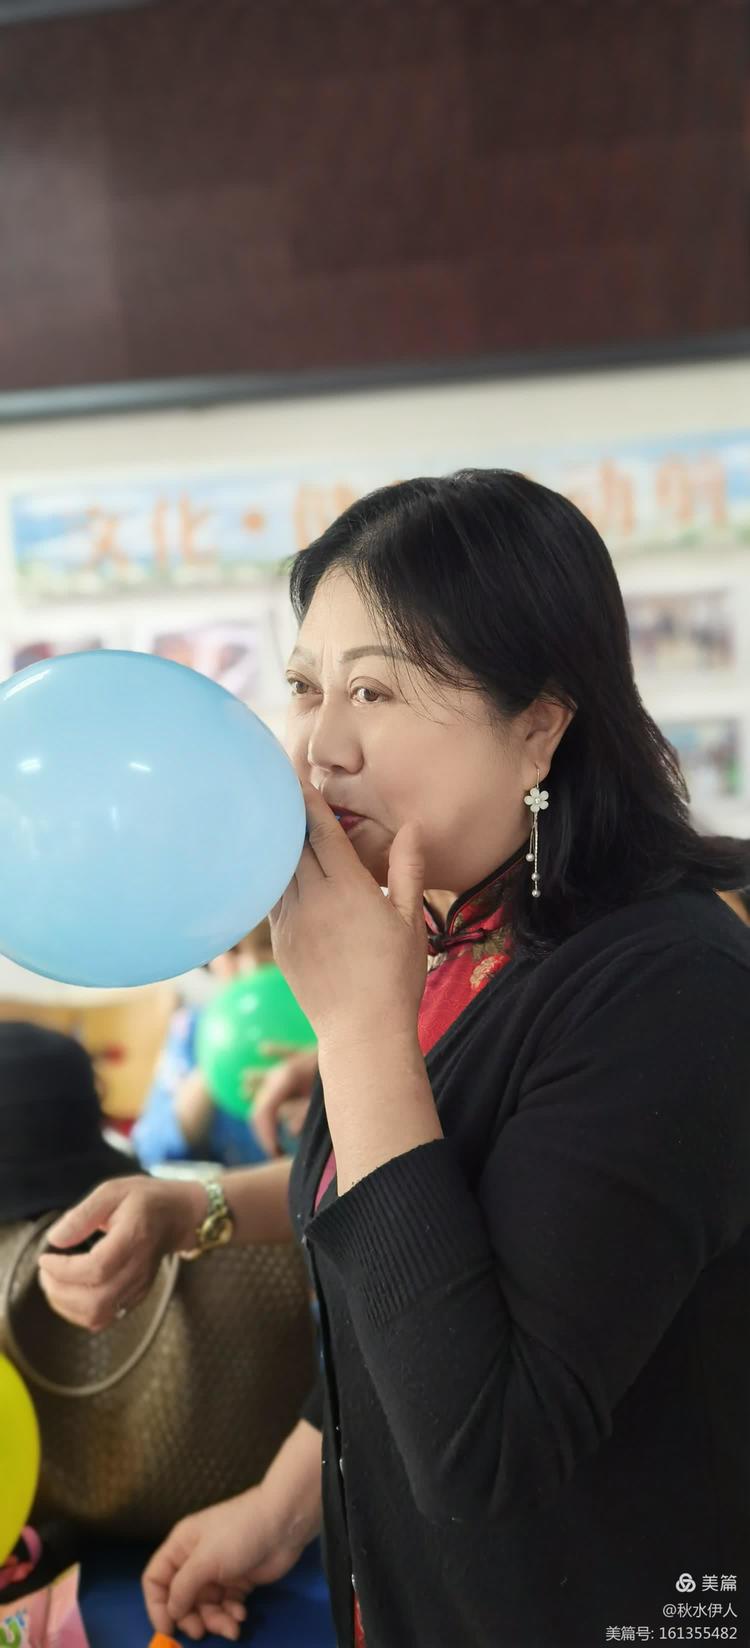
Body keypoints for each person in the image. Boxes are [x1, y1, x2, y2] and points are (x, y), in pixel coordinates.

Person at [38, 471, 750, 1648]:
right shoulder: (454, 929)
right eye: (307, 686)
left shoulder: (670, 993)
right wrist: (195, 1210)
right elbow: (431, 1219)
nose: (320, 746)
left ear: (540, 725)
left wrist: (358, 1029)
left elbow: (483, 1445)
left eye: (373, 688)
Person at [132, 919, 312, 1168]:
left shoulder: (328, 1023)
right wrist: (214, 1067)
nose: (252, 966)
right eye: (232, 949)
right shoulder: (192, 1029)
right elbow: (150, 1149)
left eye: (268, 943)